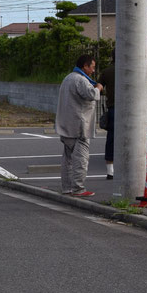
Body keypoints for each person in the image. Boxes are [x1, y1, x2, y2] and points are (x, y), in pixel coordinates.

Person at [55, 54, 103, 197]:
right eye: (92, 67)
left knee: (67, 158)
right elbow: (91, 94)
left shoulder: (68, 78)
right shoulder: (81, 80)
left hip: (65, 124)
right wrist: (99, 87)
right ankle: (78, 188)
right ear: (85, 66)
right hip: (79, 125)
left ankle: (67, 188)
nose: (93, 70)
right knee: (81, 159)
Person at [98, 55, 115, 179]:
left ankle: (110, 171)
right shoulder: (131, 68)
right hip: (132, 111)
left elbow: (99, 87)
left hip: (113, 108)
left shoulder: (107, 71)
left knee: (111, 139)